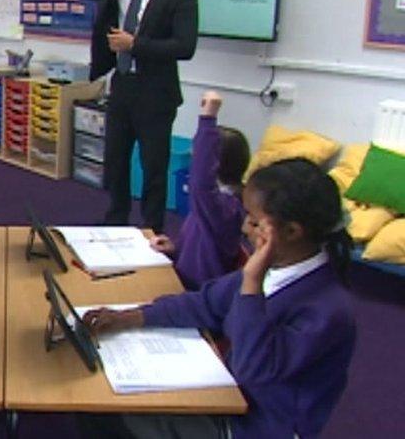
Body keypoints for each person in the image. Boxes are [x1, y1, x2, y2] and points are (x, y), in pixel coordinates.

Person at [81, 158, 356, 438]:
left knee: (110, 413)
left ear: (292, 231)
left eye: (254, 221)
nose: (245, 228)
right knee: (103, 393)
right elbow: (205, 303)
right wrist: (129, 316)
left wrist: (251, 285)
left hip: (254, 427)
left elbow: (255, 368)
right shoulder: (274, 267)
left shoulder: (328, 310)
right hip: (227, 397)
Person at [26, 0, 199, 232]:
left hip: (157, 94)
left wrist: (136, 44)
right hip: (122, 87)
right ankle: (116, 223)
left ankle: (152, 230)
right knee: (116, 162)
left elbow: (185, 46)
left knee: (153, 167)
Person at [150, 91, 251, 290]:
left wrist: (208, 116)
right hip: (185, 276)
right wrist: (176, 249)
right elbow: (202, 242)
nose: (193, 157)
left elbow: (201, 182)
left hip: (197, 291)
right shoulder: (218, 204)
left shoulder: (225, 208)